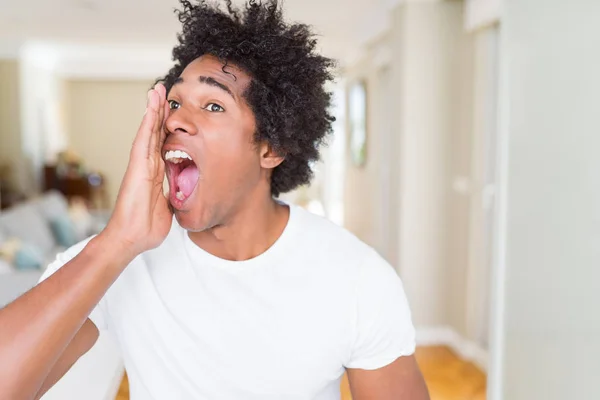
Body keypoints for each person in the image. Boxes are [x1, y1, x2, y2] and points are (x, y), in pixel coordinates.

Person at [0, 1, 430, 399]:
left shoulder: (356, 277)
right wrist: (117, 242)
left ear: (271, 148)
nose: (177, 120)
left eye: (214, 105)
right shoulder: (118, 262)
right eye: (174, 101)